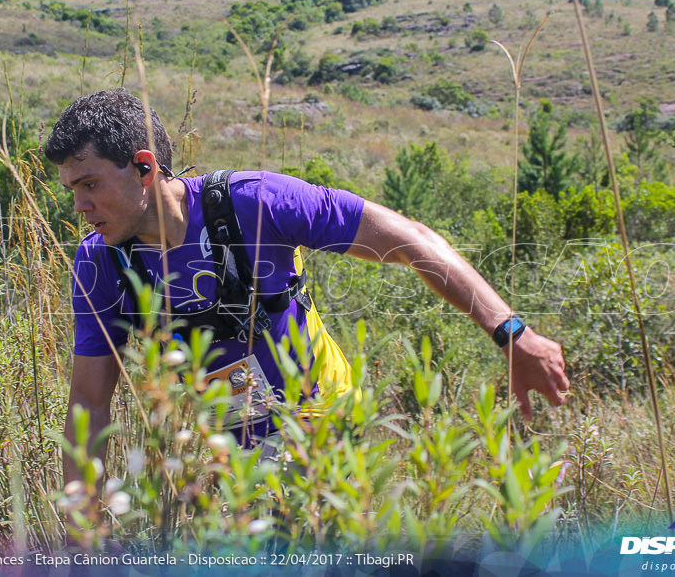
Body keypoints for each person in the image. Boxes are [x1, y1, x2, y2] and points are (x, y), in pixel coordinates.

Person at [44, 88, 570, 485]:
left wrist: (512, 332)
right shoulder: (101, 263)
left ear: (143, 167)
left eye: (90, 184)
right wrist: (79, 535)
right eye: (72, 189)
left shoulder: (254, 203)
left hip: (326, 420)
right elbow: (89, 403)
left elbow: (411, 240)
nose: (79, 206)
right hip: (235, 449)